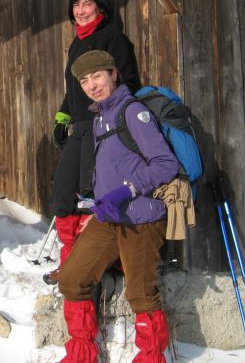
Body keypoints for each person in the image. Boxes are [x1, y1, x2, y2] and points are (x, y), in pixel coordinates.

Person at [58, 50, 178, 363]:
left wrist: (127, 190)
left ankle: (151, 358)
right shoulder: (100, 117)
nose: (91, 85)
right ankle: (82, 353)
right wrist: (98, 204)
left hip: (141, 217)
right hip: (109, 217)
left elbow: (165, 164)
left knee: (140, 293)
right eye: (84, 80)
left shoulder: (132, 111)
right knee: (72, 278)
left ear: (113, 73)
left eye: (97, 76)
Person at [46, 0, 141, 284]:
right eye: (76, 4)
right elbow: (73, 89)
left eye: (87, 3)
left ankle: (101, 264)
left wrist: (113, 120)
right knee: (62, 195)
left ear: (100, 7)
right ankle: (74, 262)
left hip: (105, 127)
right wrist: (63, 116)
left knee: (91, 195)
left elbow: (130, 84)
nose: (80, 9)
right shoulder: (76, 43)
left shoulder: (113, 39)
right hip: (81, 128)